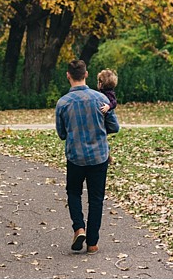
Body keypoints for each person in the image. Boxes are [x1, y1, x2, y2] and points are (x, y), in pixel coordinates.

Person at [55, 59, 119, 256]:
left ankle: (79, 228)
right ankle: (92, 243)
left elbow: (62, 134)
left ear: (68, 76)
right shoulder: (102, 100)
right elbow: (114, 127)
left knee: (74, 192)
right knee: (96, 199)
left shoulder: (63, 103)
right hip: (99, 157)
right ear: (86, 74)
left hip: (75, 157)